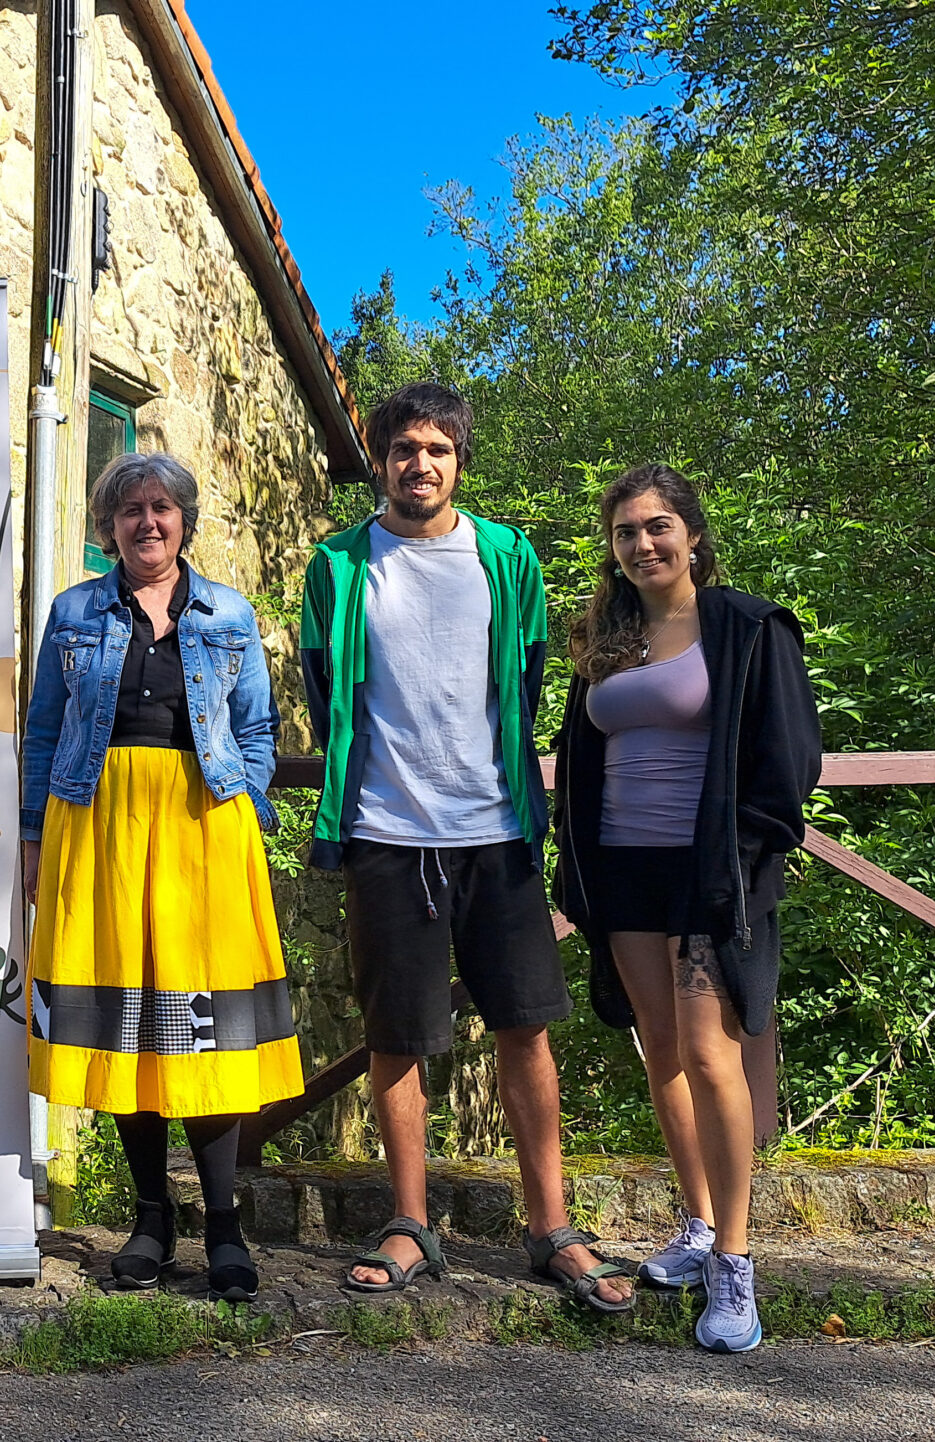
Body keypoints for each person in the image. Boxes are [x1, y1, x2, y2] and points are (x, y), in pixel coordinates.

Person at [297, 382, 635, 1311]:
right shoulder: (337, 566)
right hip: (384, 832)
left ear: (459, 461)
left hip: (496, 831)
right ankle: (411, 1224)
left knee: (525, 1027)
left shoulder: (506, 555)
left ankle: (551, 1225)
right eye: (404, 448)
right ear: (380, 460)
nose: (420, 465)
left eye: (438, 449)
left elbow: (525, 677)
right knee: (396, 1035)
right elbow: (328, 688)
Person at [22, 452, 302, 1303]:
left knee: (207, 1024)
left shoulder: (228, 611)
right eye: (131, 510)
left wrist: (244, 815)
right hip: (98, 824)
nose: (148, 522)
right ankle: (151, 1219)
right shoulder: (75, 610)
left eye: (162, 509)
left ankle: (224, 1225)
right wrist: (34, 833)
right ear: (109, 526)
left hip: (202, 827)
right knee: (126, 1023)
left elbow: (257, 728)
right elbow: (42, 730)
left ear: (185, 521)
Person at [554, 464, 821, 1352]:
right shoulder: (609, 635)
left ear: (694, 535)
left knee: (714, 1056)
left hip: (711, 870)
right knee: (659, 1045)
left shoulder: (746, 627)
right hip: (623, 868)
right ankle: (699, 1224)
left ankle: (736, 1265)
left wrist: (746, 858)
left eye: (658, 526)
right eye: (626, 532)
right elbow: (581, 748)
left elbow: (789, 762)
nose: (643, 545)